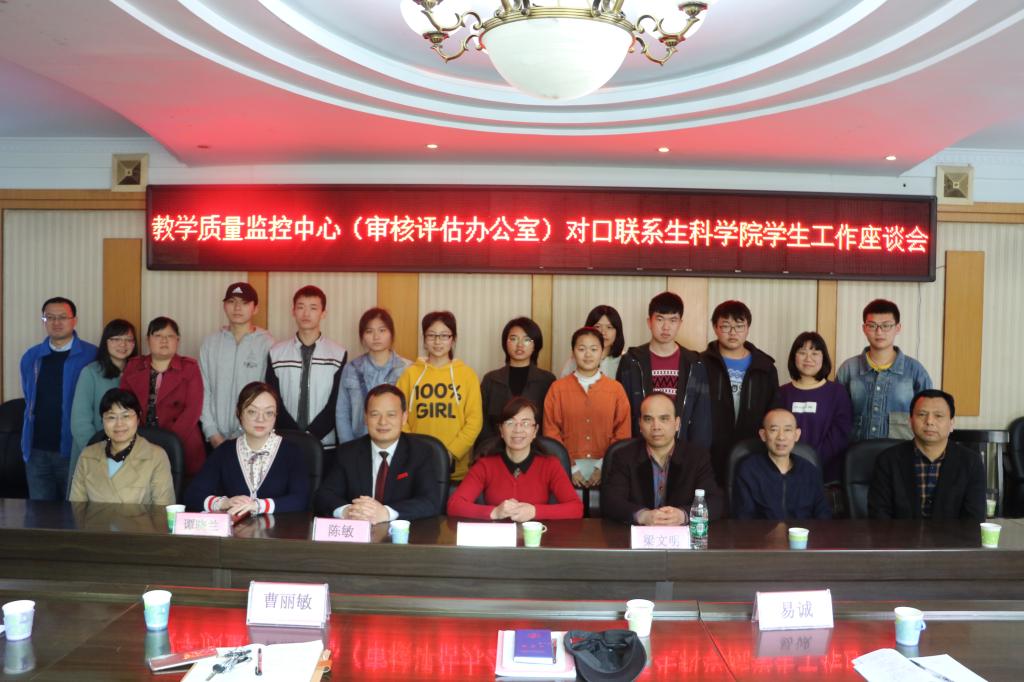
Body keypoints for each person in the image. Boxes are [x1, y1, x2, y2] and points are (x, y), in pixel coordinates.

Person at [315, 384, 442, 522]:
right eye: (375, 414)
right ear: (365, 418)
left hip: (404, 533)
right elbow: (324, 496)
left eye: (391, 415)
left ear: (404, 417)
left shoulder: (421, 452)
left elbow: (430, 501)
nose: (382, 422)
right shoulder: (347, 453)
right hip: (359, 531)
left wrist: (386, 513)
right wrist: (348, 511)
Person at [185, 382, 310, 514]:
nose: (260, 419)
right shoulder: (225, 451)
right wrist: (223, 503)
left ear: (275, 416)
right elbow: (192, 495)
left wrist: (258, 506)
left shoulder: (292, 452)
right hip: (236, 527)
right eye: (252, 411)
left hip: (278, 527)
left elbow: (301, 499)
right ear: (239, 413)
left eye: (269, 413)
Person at [449, 397, 582, 520]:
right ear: (501, 430)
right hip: (497, 536)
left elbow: (576, 508)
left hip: (537, 536)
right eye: (510, 423)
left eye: (525, 423)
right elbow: (454, 505)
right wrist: (494, 512)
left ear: (535, 430)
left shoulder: (550, 465)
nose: (518, 429)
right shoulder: (485, 465)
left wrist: (535, 511)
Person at [601, 393, 723, 525]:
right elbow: (611, 502)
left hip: (681, 535)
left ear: (677, 424)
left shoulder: (697, 457)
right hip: (637, 535)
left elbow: (715, 502)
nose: (656, 427)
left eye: (664, 419)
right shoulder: (624, 456)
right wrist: (642, 515)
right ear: (640, 424)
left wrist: (683, 515)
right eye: (648, 419)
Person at [20, 296, 98, 500]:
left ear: (74, 320)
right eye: (50, 317)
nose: (56, 322)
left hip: (75, 449)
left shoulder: (92, 355)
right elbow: (29, 398)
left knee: (76, 511)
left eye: (62, 317)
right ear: (43, 321)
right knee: (40, 513)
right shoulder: (31, 356)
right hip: (36, 450)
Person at [868, 389, 985, 521]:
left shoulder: (971, 462)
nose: (929, 421)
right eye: (922, 414)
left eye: (938, 416)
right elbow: (879, 517)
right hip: (899, 535)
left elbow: (973, 520)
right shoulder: (887, 460)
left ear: (952, 423)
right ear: (910, 421)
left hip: (951, 535)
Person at [396, 311, 483, 483]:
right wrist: (416, 450)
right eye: (432, 335)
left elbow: (474, 421)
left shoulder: (467, 375)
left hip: (456, 470)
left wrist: (450, 453)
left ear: (453, 339)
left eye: (444, 336)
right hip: (417, 464)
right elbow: (398, 416)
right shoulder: (410, 374)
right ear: (424, 339)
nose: (437, 341)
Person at [616, 292, 711, 449]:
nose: (666, 327)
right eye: (660, 319)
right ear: (649, 322)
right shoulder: (631, 361)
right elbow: (622, 412)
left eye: (673, 320)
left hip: (682, 451)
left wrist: (697, 456)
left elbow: (702, 417)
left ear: (680, 323)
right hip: (639, 450)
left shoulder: (694, 363)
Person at [700, 300, 779, 488]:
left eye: (739, 326)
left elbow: (773, 410)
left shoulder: (765, 367)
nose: (733, 332)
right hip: (710, 451)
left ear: (748, 328)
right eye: (726, 326)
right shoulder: (701, 363)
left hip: (753, 450)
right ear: (715, 328)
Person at [544, 327, 631, 489]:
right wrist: (569, 466)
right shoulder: (557, 389)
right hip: (564, 466)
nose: (588, 354)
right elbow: (551, 431)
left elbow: (622, 432)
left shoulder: (616, 389)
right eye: (581, 349)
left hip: (609, 466)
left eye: (594, 349)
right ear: (573, 352)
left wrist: (603, 466)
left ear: (602, 352)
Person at [836, 299, 932, 441]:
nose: (879, 332)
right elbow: (837, 415)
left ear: (898, 328)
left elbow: (928, 415)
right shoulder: (849, 369)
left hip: (901, 451)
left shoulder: (915, 370)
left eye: (886, 326)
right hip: (856, 451)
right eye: (872, 326)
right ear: (864, 328)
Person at [120, 317, 205, 476]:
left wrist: (168, 442)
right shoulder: (134, 365)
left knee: (183, 488)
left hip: (182, 442)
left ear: (177, 340)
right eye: (158, 336)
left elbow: (193, 409)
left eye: (170, 336)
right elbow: (124, 405)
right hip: (141, 442)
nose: (164, 340)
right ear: (148, 339)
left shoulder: (190, 367)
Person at [266, 286, 347, 450]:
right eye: (301, 307)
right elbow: (272, 399)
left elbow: (336, 403)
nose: (306, 313)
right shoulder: (276, 353)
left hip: (324, 445)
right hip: (284, 442)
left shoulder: (338, 354)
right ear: (293, 311)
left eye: (313, 308)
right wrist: (294, 435)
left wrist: (311, 436)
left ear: (323, 313)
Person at [199, 282, 274, 450]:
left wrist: (242, 432)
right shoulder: (210, 343)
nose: (237, 308)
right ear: (224, 306)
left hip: (252, 437)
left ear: (255, 308)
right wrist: (211, 432)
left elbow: (267, 393)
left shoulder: (267, 344)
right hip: (213, 438)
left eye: (244, 303)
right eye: (232, 301)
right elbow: (203, 389)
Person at [68, 388, 175, 505]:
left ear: (138, 418)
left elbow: (163, 511)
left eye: (126, 416)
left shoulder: (156, 457)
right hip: (93, 518)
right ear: (102, 421)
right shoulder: (87, 456)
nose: (119, 424)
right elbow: (75, 509)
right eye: (111, 417)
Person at [69, 319, 139, 496]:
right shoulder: (90, 372)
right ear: (105, 342)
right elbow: (80, 422)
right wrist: (100, 454)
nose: (123, 344)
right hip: (94, 454)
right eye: (116, 339)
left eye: (128, 340)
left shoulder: (140, 372)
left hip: (133, 455)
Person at [774, 331, 853, 484]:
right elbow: (775, 432)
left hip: (827, 476)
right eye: (802, 352)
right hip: (786, 473)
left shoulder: (837, 392)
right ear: (794, 357)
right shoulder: (781, 393)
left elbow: (840, 435)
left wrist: (810, 461)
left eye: (815, 353)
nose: (808, 359)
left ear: (824, 358)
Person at [732, 408, 831, 520]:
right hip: (761, 531)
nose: (781, 437)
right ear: (763, 435)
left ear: (797, 434)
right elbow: (744, 518)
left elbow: (823, 516)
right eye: (774, 430)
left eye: (787, 430)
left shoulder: (810, 471)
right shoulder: (749, 469)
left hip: (804, 531)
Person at [335, 307, 411, 444]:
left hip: (398, 444)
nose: (376, 337)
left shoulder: (407, 368)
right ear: (362, 336)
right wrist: (348, 446)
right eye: (369, 331)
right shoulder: (351, 369)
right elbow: (342, 412)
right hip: (358, 443)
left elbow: (412, 413)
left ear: (391, 334)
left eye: (382, 330)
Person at [478, 317, 556, 445]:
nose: (520, 344)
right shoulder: (491, 379)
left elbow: (550, 423)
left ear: (535, 345)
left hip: (536, 449)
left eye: (527, 340)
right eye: (513, 339)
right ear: (505, 343)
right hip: (495, 449)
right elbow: (482, 422)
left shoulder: (547, 380)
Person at [560, 305, 625, 379]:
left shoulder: (624, 361)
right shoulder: (577, 359)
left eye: (609, 327)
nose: (603, 332)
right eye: (597, 327)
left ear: (618, 332)